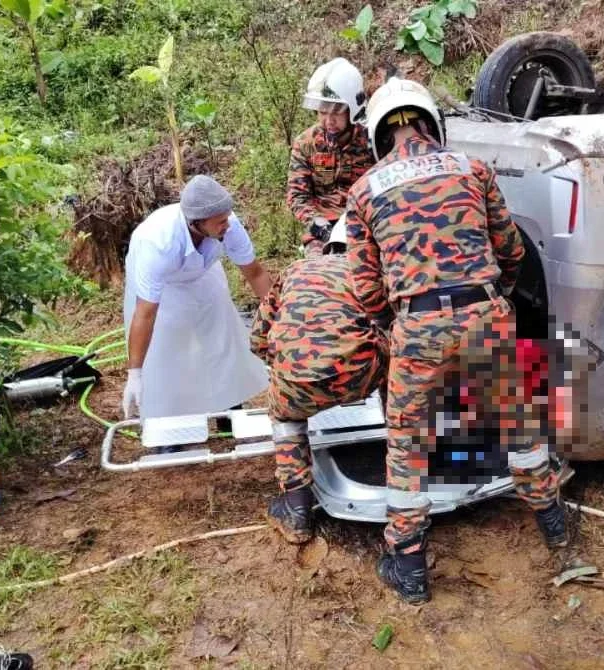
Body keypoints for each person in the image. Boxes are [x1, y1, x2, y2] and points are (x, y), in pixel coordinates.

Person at [344, 78, 569, 604]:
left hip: (418, 324)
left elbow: (366, 288)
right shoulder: (473, 169)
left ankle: (409, 566)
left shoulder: (363, 192)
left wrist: (401, 322)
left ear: (380, 133)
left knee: (407, 441)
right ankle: (554, 524)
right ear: (430, 122)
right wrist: (492, 301)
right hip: (484, 312)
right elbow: (511, 250)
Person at [249, 217, 389, 543]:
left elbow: (257, 340)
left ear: (329, 245)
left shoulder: (295, 270)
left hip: (298, 383)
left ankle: (297, 508)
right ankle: (398, 452)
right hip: (361, 375)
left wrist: (290, 372)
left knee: (283, 414)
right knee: (395, 363)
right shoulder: (374, 275)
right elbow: (395, 328)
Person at [122, 175, 272, 421]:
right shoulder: (158, 244)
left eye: (227, 218)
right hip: (166, 286)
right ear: (196, 222)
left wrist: (282, 319)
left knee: (221, 340)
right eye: (220, 222)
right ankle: (171, 426)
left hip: (203, 273)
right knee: (167, 351)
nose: (227, 225)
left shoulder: (227, 225)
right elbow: (145, 313)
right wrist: (134, 374)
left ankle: (229, 411)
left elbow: (255, 274)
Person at [286, 57, 375, 258]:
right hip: (323, 226)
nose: (328, 121)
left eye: (336, 113)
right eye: (322, 112)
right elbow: (297, 195)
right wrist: (315, 222)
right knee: (318, 272)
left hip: (364, 222)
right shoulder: (306, 143)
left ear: (352, 109)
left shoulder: (372, 141)